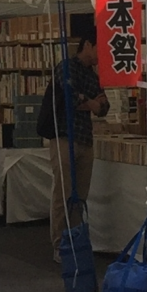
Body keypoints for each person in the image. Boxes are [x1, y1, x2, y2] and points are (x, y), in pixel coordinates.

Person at [49, 29, 109, 262]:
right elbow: (70, 97)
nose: (101, 56)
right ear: (88, 45)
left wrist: (87, 101)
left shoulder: (93, 76)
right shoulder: (66, 67)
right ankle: (59, 243)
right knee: (63, 192)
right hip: (64, 136)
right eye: (100, 49)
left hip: (85, 138)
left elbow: (104, 107)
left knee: (80, 195)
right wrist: (89, 101)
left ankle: (74, 240)